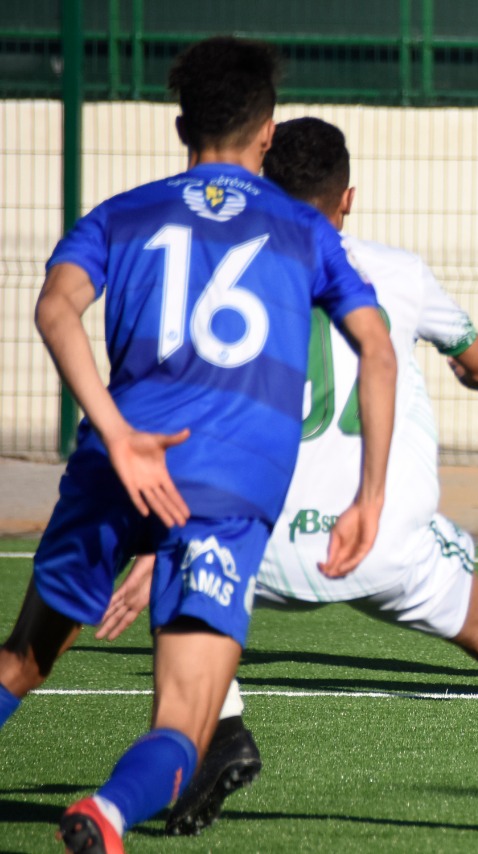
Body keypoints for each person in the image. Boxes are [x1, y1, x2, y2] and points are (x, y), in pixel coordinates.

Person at [99, 117, 478, 843]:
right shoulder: (397, 272)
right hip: (380, 536)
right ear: (346, 199)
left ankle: (222, 731)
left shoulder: (225, 287)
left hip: (258, 540)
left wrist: (161, 545)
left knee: (182, 600)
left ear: (262, 189)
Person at [0, 38, 397, 853]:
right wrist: (372, 495)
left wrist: (116, 433)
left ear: (181, 123)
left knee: (20, 664)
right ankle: (107, 814)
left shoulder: (123, 212)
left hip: (117, 462)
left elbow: (53, 310)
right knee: (185, 727)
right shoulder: (302, 228)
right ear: (267, 134)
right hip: (227, 482)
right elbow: (378, 351)